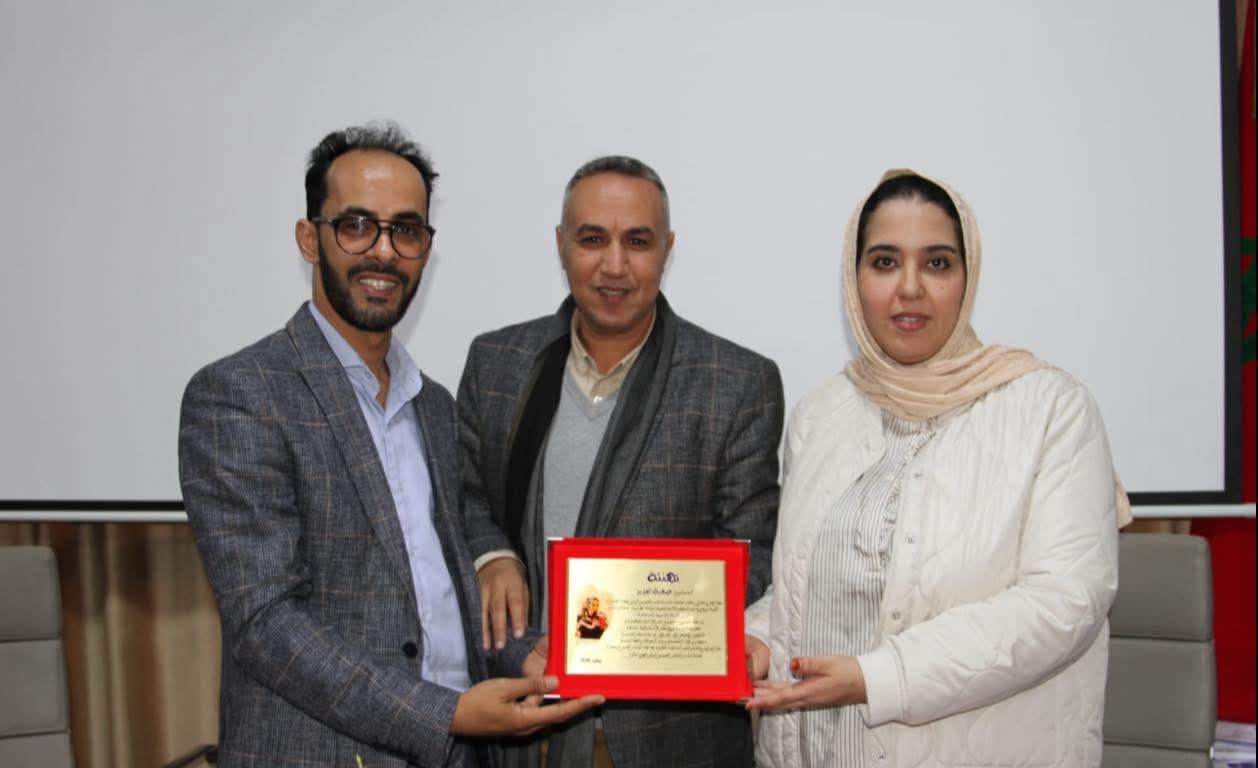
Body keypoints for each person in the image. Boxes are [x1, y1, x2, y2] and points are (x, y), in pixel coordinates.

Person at [179, 122, 600, 768]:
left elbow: (445, 597)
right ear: (309, 238)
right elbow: (268, 623)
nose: (384, 251)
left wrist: (529, 656)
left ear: (426, 249)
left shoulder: (432, 405)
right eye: (356, 225)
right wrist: (446, 714)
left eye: (405, 230)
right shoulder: (240, 394)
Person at [744, 170, 1130, 767]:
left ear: (968, 277)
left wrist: (880, 676)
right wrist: (756, 640)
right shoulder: (821, 413)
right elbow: (811, 585)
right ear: (854, 278)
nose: (909, 288)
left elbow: (1064, 602)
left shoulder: (1051, 408)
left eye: (937, 264)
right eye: (884, 262)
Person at [457, 156, 783, 767]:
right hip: (519, 723)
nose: (614, 265)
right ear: (561, 245)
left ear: (667, 249)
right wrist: (491, 554)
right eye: (591, 239)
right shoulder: (497, 364)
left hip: (663, 741)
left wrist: (639, 635)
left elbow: (753, 559)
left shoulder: (737, 383)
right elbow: (465, 497)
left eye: (637, 241)